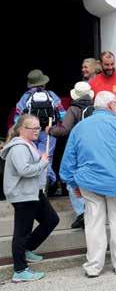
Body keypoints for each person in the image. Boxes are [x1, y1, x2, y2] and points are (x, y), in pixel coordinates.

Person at [60, 91, 116, 277]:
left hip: (89, 183)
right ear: (111, 106)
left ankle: (94, 266)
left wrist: (72, 183)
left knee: (93, 224)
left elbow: (67, 161)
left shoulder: (80, 128)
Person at [1, 114, 60, 282]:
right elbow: (24, 170)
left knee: (51, 220)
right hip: (23, 195)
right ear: (21, 129)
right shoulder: (19, 147)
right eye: (33, 128)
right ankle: (20, 270)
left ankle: (27, 249)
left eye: (38, 128)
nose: (37, 131)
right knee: (21, 233)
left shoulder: (28, 144)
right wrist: (42, 163)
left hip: (33, 192)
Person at [47, 81, 95, 229]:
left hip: (79, 149)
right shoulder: (97, 108)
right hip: (95, 149)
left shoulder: (74, 109)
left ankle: (82, 214)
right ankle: (92, 212)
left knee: (71, 182)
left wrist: (51, 130)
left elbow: (64, 130)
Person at [14, 69, 66, 186]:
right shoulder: (51, 95)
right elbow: (63, 114)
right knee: (47, 156)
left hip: (30, 131)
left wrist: (19, 131)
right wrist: (60, 127)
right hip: (48, 131)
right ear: (43, 83)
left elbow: (17, 116)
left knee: (32, 157)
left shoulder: (26, 96)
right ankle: (48, 178)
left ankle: (35, 182)